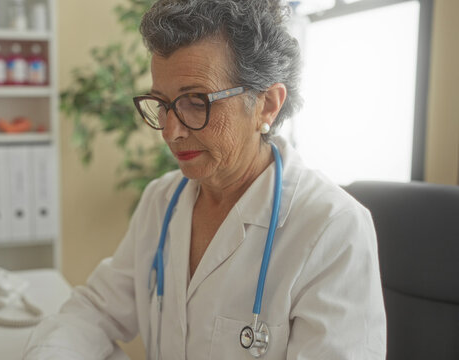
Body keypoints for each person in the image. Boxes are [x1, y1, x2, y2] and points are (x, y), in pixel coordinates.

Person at [24, 0, 386, 358]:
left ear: (268, 105)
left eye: (196, 101)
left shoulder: (333, 229)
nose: (170, 131)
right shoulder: (161, 200)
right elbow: (95, 312)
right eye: (161, 104)